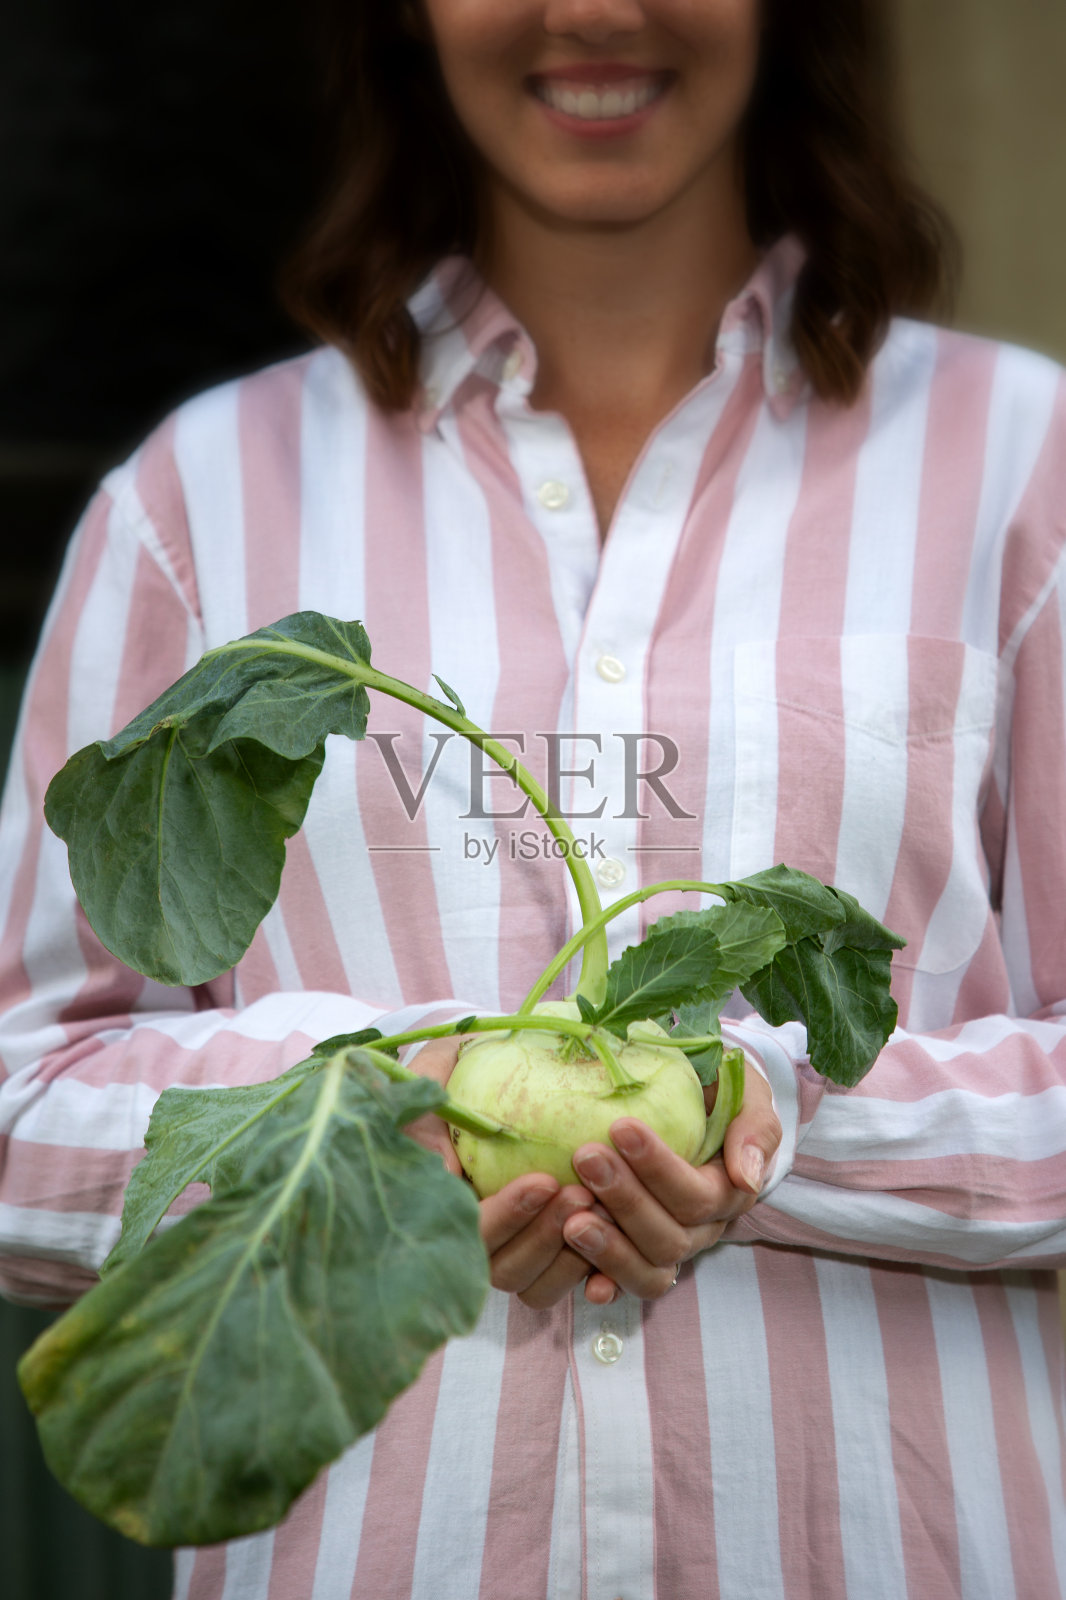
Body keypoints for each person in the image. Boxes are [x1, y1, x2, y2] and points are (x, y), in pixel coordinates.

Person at [1, 1, 1064, 1596]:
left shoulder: (1020, 464)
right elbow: (25, 1102)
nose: (589, 10)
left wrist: (774, 1118)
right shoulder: (197, 499)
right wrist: (383, 1115)